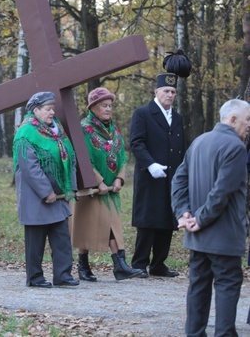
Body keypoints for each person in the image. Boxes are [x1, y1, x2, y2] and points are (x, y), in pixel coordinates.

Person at [171, 99, 250, 337]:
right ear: (233, 119)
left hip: (198, 236)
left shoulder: (199, 141)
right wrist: (199, 219)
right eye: (247, 120)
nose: (249, 125)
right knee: (227, 285)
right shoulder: (235, 147)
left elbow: (178, 180)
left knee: (199, 286)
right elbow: (222, 192)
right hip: (223, 234)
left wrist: (184, 212)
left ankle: (194, 333)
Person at [72, 87, 145, 281]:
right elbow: (83, 158)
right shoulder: (84, 129)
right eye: (104, 105)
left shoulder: (113, 130)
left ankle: (119, 265)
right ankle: (83, 265)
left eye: (110, 105)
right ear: (93, 107)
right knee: (87, 227)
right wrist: (99, 181)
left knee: (112, 226)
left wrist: (119, 178)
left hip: (111, 190)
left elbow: (121, 156)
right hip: (91, 189)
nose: (108, 109)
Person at [13, 91, 78, 288]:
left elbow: (70, 159)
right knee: (36, 240)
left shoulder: (57, 131)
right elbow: (30, 167)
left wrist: (70, 188)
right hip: (36, 197)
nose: (52, 113)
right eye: (48, 109)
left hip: (58, 196)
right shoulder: (26, 133)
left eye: (53, 109)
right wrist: (45, 191)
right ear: (36, 110)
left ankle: (63, 275)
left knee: (62, 238)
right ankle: (35, 277)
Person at [130, 72, 186, 277]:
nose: (170, 95)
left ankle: (158, 263)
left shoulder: (177, 118)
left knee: (167, 220)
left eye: (173, 92)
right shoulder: (143, 113)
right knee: (148, 220)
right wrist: (150, 164)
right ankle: (139, 263)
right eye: (166, 91)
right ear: (156, 91)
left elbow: (180, 146)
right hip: (149, 176)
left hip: (171, 177)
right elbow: (136, 142)